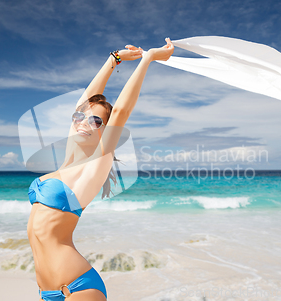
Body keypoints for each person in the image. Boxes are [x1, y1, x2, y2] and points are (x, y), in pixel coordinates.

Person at [27, 38, 174, 301]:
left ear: (105, 131)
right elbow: (84, 102)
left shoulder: (96, 163)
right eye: (80, 117)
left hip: (76, 287)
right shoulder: (66, 160)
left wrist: (147, 59)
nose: (84, 122)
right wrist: (113, 60)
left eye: (95, 121)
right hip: (46, 291)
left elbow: (120, 111)